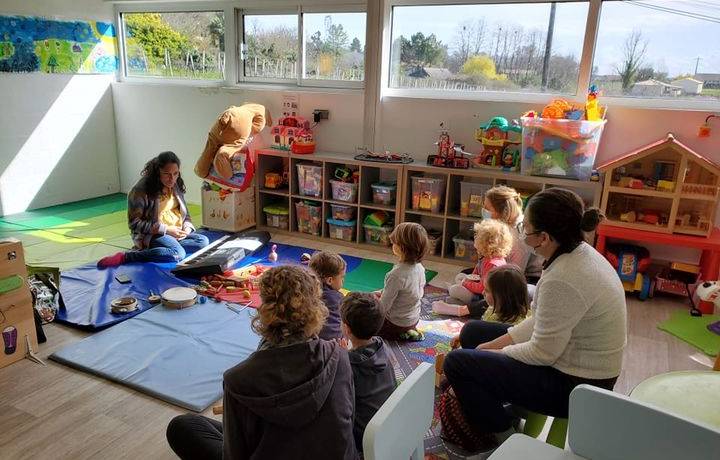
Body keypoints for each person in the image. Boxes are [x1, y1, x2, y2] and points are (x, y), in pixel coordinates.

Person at [442, 188, 627, 453]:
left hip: (576, 386)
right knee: (473, 332)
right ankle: (505, 404)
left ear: (544, 237)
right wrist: (493, 345)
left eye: (526, 228)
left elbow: (543, 352)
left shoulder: (564, 277)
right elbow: (542, 319)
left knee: (458, 363)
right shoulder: (575, 252)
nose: (521, 232)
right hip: (571, 360)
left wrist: (492, 352)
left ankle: (504, 438)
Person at [166, 266, 357, 460]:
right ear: (316, 307)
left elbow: (234, 456)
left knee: (182, 426)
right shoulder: (339, 356)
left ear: (265, 308)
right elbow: (345, 424)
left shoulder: (238, 380)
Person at [97, 152, 209, 268]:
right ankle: (127, 257)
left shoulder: (175, 184)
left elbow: (186, 215)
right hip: (152, 234)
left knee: (203, 241)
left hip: (176, 232)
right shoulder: (141, 190)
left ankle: (165, 248)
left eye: (175, 173)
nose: (172, 179)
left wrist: (187, 228)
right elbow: (134, 223)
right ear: (157, 173)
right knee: (178, 253)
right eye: (167, 174)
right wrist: (166, 230)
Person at [339, 292, 396, 453]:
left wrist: (343, 358)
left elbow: (341, 402)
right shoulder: (381, 345)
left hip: (364, 437)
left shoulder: (348, 364)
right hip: (390, 420)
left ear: (347, 329)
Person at [432, 219, 513, 316]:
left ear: (486, 244)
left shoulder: (493, 265)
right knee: (460, 276)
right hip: (478, 288)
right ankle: (458, 299)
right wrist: (469, 278)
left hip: (481, 297)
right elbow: (477, 272)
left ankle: (462, 302)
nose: (475, 241)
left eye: (477, 238)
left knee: (455, 289)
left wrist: (465, 283)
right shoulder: (486, 257)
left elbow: (481, 288)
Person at [376, 222, 428, 342]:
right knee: (376, 295)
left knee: (364, 309)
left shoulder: (395, 275)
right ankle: (407, 331)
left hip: (394, 323)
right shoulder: (420, 268)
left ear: (403, 247)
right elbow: (415, 293)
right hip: (413, 319)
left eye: (394, 242)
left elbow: (383, 307)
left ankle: (397, 334)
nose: (392, 244)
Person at [483, 185, 543, 284]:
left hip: (529, 277)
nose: (484, 211)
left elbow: (515, 273)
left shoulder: (519, 236)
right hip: (514, 268)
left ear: (502, 211)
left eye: (487, 208)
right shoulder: (509, 224)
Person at [309, 251, 347, 340]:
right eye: (342, 277)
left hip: (311, 340)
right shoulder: (337, 298)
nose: (343, 280)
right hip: (334, 341)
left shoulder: (306, 293)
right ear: (330, 280)